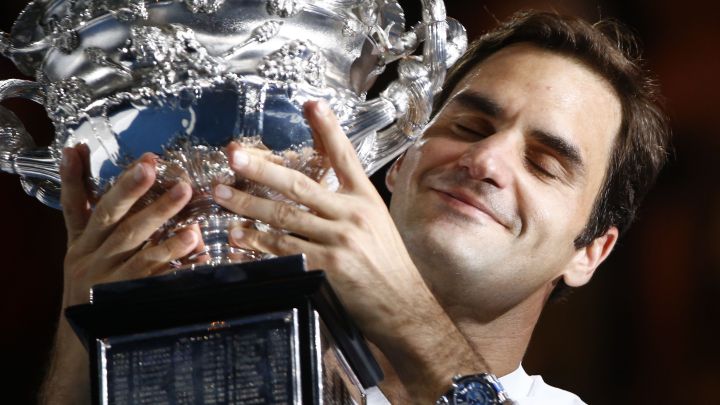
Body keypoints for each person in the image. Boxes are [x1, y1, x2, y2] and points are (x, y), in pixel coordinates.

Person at [40, 10, 670, 404]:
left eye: (545, 163)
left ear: (590, 251)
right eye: (471, 127)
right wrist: (84, 347)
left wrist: (411, 319)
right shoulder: (215, 367)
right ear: (398, 160)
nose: (487, 162)